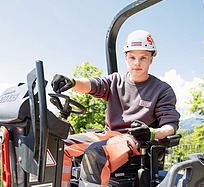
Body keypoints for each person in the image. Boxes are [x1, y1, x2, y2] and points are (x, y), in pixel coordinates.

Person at [51, 30, 180, 187]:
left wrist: (152, 132)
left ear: (151, 59)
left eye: (143, 58)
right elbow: (94, 85)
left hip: (137, 141)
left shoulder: (162, 90)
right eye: (132, 57)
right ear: (125, 57)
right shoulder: (116, 81)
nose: (137, 63)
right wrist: (72, 81)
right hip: (109, 136)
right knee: (59, 146)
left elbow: (170, 126)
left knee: (96, 152)